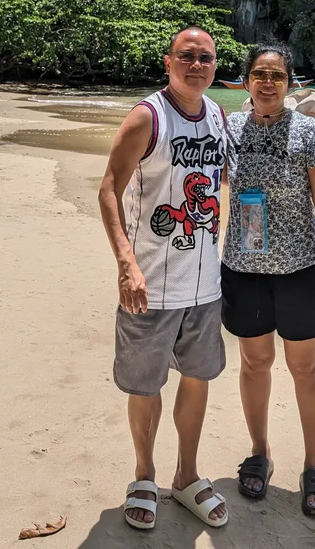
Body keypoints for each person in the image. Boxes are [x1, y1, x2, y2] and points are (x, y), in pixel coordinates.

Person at [98, 26, 229, 532]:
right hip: (150, 285)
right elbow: (109, 189)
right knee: (145, 383)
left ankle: (187, 475)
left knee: (197, 379)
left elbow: (230, 179)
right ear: (168, 62)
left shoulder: (217, 116)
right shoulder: (147, 117)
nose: (197, 65)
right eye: (187, 56)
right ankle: (145, 475)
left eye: (206, 57)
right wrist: (126, 264)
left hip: (204, 286)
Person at [221, 42, 315, 518]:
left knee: (306, 368)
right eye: (258, 74)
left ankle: (314, 466)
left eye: (276, 75)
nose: (267, 82)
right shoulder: (229, 128)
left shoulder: (308, 132)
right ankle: (260, 452)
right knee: (255, 363)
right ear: (246, 82)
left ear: (290, 84)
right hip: (244, 268)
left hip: (300, 267)